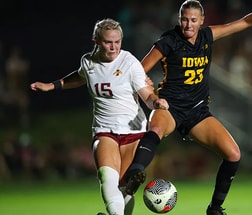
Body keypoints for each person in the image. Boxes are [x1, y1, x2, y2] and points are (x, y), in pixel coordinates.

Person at [124, 1, 252, 214]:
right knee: (156, 130)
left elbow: (245, 22)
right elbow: (138, 70)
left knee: (233, 154)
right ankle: (136, 172)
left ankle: (214, 209)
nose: (188, 24)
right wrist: (147, 85)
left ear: (202, 20)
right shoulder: (168, 41)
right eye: (185, 19)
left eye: (193, 20)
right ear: (179, 19)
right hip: (170, 107)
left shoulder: (207, 36)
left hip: (197, 111)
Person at [30, 18, 168, 215]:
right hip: (104, 130)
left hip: (133, 130)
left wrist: (156, 102)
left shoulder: (129, 62)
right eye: (108, 42)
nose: (113, 47)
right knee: (107, 177)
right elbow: (80, 76)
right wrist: (52, 85)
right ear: (96, 41)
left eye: (117, 42)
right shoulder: (88, 61)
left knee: (124, 187)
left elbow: (146, 94)